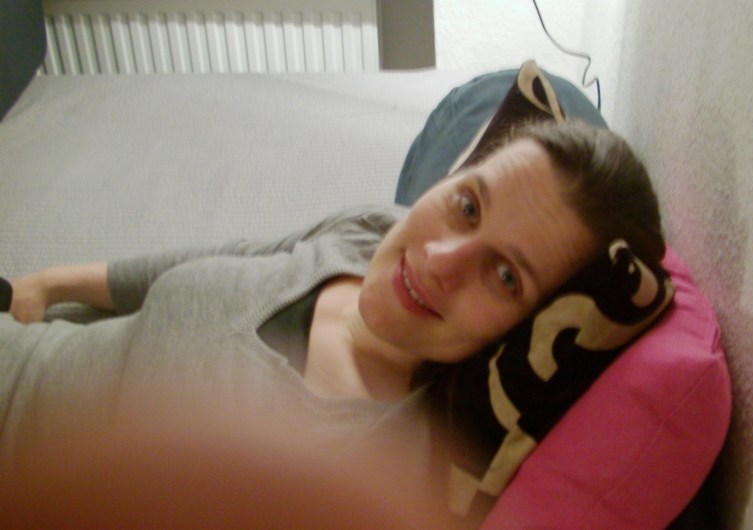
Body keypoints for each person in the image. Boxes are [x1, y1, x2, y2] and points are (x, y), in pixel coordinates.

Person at [0, 120, 664, 485]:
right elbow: (230, 256)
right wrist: (51, 284)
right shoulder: (373, 231)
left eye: (506, 277)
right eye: (467, 206)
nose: (438, 260)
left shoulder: (376, 468)